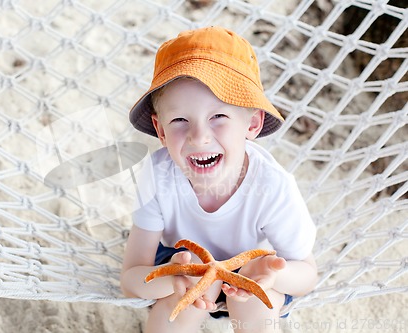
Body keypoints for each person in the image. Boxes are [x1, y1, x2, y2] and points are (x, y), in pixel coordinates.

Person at [120, 26, 317, 333]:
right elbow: (132, 277)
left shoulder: (272, 186)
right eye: (180, 121)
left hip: (253, 265)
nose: (199, 138)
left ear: (252, 123)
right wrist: (171, 279)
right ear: (160, 131)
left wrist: (274, 275)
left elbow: (307, 273)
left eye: (218, 117)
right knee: (185, 292)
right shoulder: (158, 175)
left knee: (253, 293)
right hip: (181, 261)